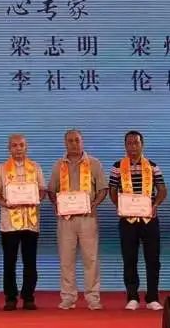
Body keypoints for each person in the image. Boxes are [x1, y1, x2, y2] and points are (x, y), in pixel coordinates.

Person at [47, 129, 109, 310]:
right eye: (70, 141)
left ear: (82, 142)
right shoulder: (58, 165)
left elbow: (102, 189)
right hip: (66, 219)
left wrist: (94, 205)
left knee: (91, 259)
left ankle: (93, 297)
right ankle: (68, 296)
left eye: (77, 140)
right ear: (65, 143)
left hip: (87, 218)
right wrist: (57, 204)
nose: (74, 144)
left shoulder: (94, 164)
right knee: (66, 259)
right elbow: (51, 190)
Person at [108, 130, 167, 311]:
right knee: (129, 258)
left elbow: (162, 189)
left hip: (149, 219)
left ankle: (152, 297)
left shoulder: (153, 166)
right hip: (127, 220)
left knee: (153, 259)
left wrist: (155, 205)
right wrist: (121, 206)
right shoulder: (117, 166)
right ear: (125, 146)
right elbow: (112, 190)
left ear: (142, 145)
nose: (133, 146)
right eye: (129, 143)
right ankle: (132, 296)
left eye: (136, 143)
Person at [0, 134, 47, 311]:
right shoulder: (1, 169)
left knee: (30, 262)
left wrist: (36, 199)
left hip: (30, 222)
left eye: (21, 145)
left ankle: (28, 297)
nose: (18, 148)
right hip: (9, 223)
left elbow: (42, 190)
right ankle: (10, 297)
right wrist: (4, 203)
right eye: (14, 145)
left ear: (26, 147)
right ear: (9, 148)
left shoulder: (35, 167)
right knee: (9, 262)